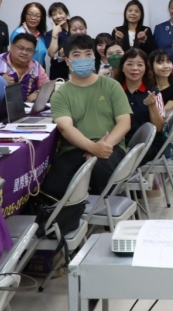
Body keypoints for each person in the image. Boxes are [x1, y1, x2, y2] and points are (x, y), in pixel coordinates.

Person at [46, 34, 131, 234]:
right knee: (53, 184)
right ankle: (66, 233)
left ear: (94, 57)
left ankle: (106, 227)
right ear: (67, 61)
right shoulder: (61, 94)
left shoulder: (111, 86)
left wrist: (102, 147)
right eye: (77, 55)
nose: (83, 58)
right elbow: (65, 128)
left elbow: (124, 122)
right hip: (75, 149)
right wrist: (92, 147)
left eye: (88, 54)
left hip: (110, 146)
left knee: (101, 171)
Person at [0, 32, 50, 101]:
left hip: (28, 107)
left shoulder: (36, 66)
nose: (24, 53)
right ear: (11, 47)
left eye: (29, 50)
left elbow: (48, 87)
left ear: (34, 53)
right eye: (21, 48)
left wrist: (37, 92)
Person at [10, 2, 49, 68]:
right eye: (30, 14)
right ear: (24, 15)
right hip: (22, 71)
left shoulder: (41, 35)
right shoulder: (18, 33)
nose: (33, 18)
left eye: (37, 16)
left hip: (39, 71)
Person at [43, 1, 71, 79]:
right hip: (58, 70)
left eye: (60, 13)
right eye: (54, 14)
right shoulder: (49, 34)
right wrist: (55, 34)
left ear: (66, 13)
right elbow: (51, 54)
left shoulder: (75, 28)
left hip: (75, 67)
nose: (58, 16)